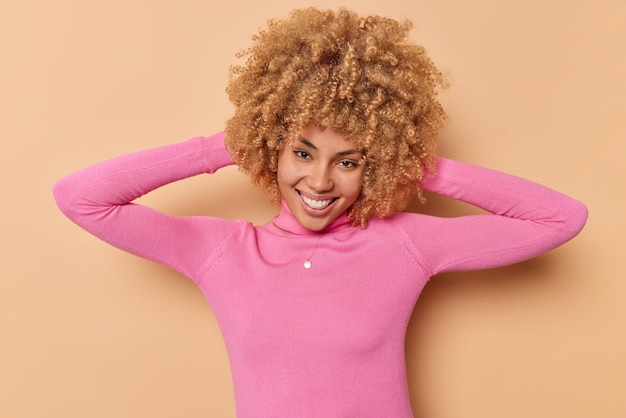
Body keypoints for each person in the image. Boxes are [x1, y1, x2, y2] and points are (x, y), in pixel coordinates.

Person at [53, 7, 588, 418]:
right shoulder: (223, 252)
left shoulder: (404, 244)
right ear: (273, 148)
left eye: (348, 160)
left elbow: (560, 218)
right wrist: (227, 145)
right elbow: (81, 198)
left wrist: (417, 164)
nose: (320, 180)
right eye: (302, 152)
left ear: (373, 162)